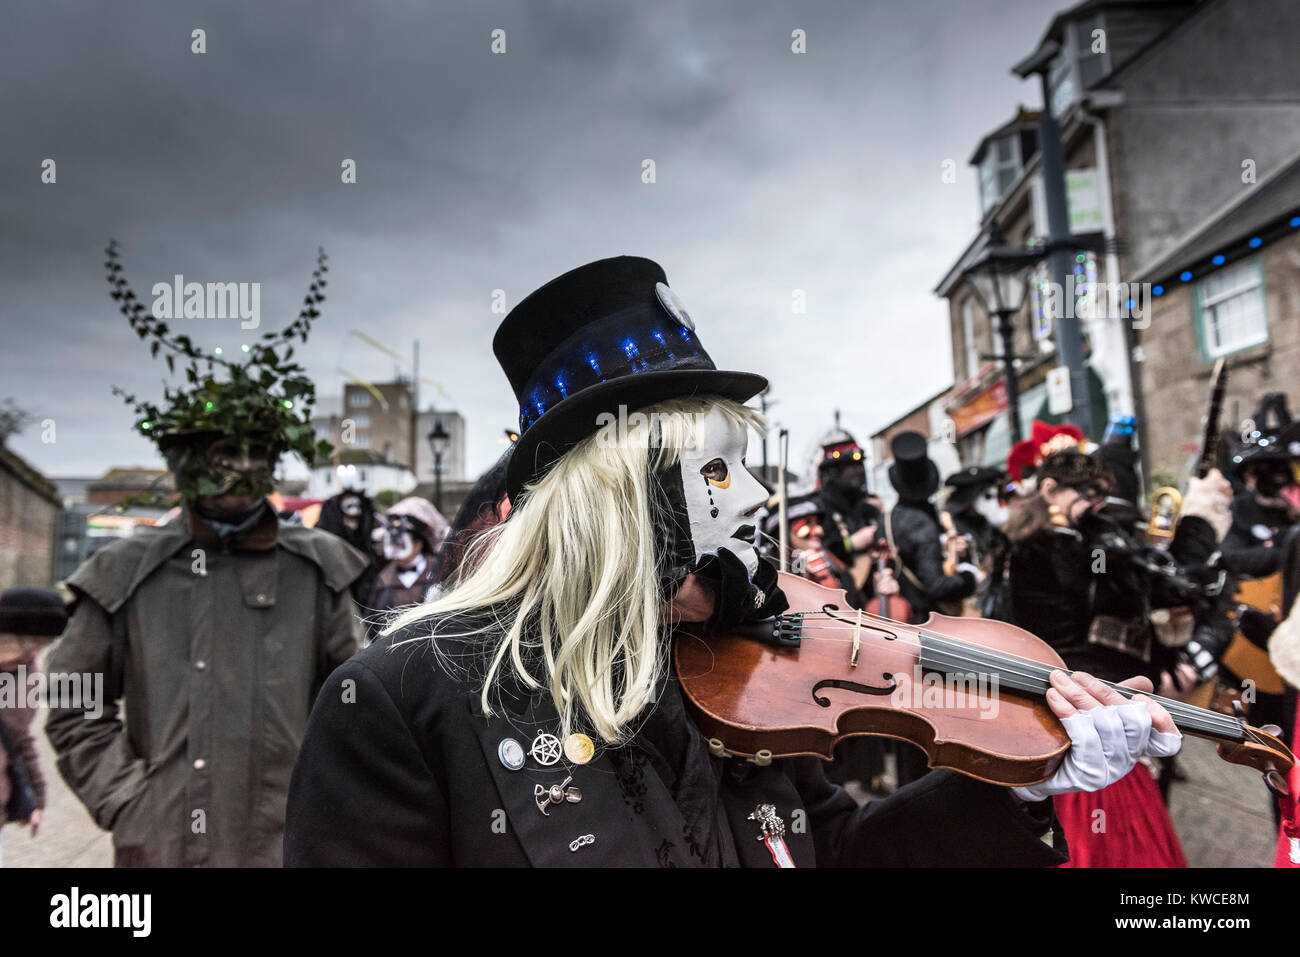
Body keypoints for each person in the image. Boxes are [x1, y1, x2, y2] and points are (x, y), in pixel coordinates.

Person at [285, 255, 1182, 868]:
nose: (755, 496)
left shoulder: (733, 668)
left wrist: (1020, 781)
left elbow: (842, 852)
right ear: (617, 496)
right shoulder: (401, 701)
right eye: (717, 469)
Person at [45, 284, 370, 867]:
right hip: (163, 850)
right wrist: (130, 803)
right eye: (224, 454)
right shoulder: (125, 572)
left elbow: (358, 707)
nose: (242, 469)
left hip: (286, 848)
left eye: (257, 455)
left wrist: (326, 810)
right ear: (186, 464)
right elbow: (74, 701)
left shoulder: (318, 569)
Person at [1005, 448, 1232, 867]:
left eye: (1102, 493)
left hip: (1100, 702)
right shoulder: (1047, 548)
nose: (1099, 504)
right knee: (1108, 840)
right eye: (1089, 493)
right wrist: (1197, 525)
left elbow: (1155, 586)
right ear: (1050, 490)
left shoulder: (1074, 542)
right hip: (1084, 710)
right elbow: (1156, 584)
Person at [0, 588, 68, 866]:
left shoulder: (25, 676)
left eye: (43, 645)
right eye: (28, 644)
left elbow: (20, 739)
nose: (32, 654)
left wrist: (35, 798)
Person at [367, 496, 449, 624]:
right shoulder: (382, 580)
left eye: (400, 543)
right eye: (391, 542)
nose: (394, 551)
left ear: (418, 544)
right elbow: (371, 622)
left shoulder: (441, 574)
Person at [316, 486, 383, 606]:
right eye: (348, 518)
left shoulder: (371, 549)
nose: (352, 524)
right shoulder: (323, 548)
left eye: (355, 519)